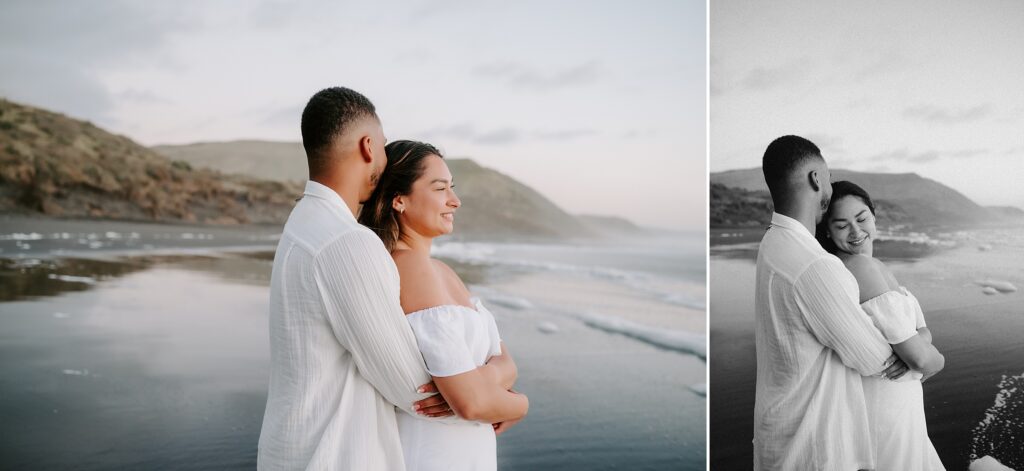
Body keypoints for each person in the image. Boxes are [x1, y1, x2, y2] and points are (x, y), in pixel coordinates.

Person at [257, 87, 453, 470]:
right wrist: (487, 399)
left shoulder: (302, 224)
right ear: (367, 147)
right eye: (382, 147)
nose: (383, 158)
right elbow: (412, 387)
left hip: (292, 450)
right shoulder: (347, 241)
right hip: (332, 458)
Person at [359, 140, 528, 471]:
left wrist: (486, 377)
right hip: (436, 457)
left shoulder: (440, 270)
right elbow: (472, 402)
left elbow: (507, 364)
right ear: (399, 200)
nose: (455, 200)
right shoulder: (411, 268)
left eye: (452, 187)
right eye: (440, 189)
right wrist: (520, 404)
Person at [753, 135, 909, 470]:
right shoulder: (816, 265)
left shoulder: (772, 242)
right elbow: (876, 360)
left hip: (780, 432)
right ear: (816, 178)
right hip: (814, 447)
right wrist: (919, 347)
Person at [816, 180, 946, 470]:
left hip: (898, 402)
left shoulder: (867, 267)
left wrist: (917, 342)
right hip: (886, 401)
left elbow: (918, 333)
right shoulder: (861, 268)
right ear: (826, 230)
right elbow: (921, 358)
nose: (856, 231)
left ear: (874, 216)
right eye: (841, 225)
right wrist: (937, 361)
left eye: (861, 218)